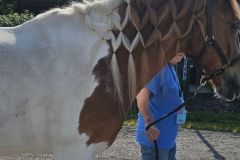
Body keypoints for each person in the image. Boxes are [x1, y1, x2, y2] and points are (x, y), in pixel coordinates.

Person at [136, 52, 186, 160]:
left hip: (168, 139)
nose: (182, 53)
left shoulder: (170, 67)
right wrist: (149, 123)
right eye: (178, 49)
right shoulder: (157, 69)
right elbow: (141, 97)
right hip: (154, 141)